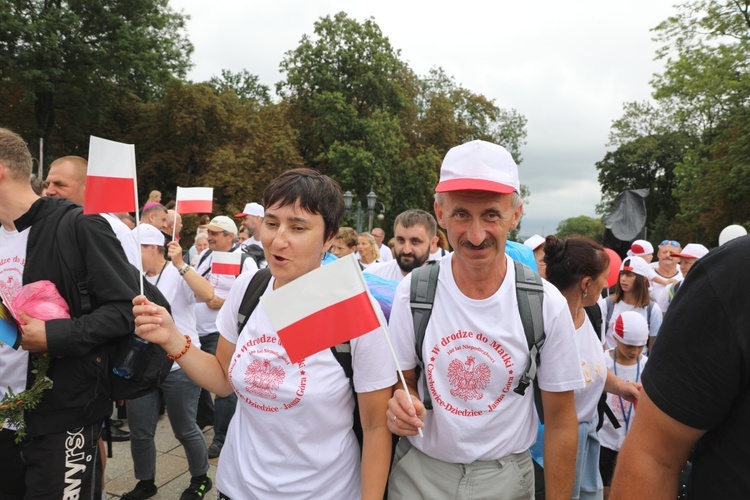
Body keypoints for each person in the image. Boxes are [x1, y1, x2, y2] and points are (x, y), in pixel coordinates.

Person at [133, 168, 396, 499]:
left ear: (328, 237)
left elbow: (375, 428)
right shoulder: (250, 289)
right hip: (237, 487)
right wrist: (172, 338)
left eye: (298, 227)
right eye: (272, 223)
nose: (278, 239)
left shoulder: (354, 311)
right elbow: (223, 378)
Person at [387, 140, 585, 499]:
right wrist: (400, 401)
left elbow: (560, 420)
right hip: (419, 475)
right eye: (461, 214)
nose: (475, 235)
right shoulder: (413, 293)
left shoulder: (544, 304)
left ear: (516, 214)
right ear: (440, 213)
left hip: (506, 479)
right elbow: (404, 379)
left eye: (491, 215)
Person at [0, 127, 139, 498]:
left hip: (61, 416)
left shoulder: (78, 224)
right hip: (3, 417)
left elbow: (127, 309)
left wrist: (55, 335)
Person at [609, 236, 750, 499]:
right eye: (677, 258)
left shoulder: (657, 302)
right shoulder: (732, 276)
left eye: (684, 260)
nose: (678, 263)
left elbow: (654, 340)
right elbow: (654, 455)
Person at [543, 236, 640, 500]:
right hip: (553, 443)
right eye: (604, 278)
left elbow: (592, 367)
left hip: (589, 433)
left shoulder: (592, 314)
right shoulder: (545, 322)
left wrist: (621, 386)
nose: (608, 284)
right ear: (586, 283)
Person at [121, 224, 213, 500]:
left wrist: (182, 264)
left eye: (136, 249)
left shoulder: (176, 273)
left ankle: (201, 478)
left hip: (179, 364)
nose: (130, 255)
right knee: (139, 431)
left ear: (152, 247)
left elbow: (207, 295)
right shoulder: (132, 277)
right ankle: (145, 482)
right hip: (143, 366)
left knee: (185, 428)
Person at [192, 215, 258, 457]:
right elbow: (196, 283)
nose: (209, 236)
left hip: (222, 332)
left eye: (216, 233)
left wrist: (223, 303)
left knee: (224, 384)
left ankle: (221, 436)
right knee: (196, 377)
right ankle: (205, 416)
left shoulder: (245, 260)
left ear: (230, 237)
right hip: (198, 328)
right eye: (209, 232)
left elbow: (251, 296)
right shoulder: (204, 255)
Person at [46, 155, 139, 267]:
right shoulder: (45, 225)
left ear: (86, 187)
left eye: (59, 185)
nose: (49, 191)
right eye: (47, 184)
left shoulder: (116, 231)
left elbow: (131, 281)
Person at [597, 311, 649, 499]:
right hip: (604, 439)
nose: (634, 351)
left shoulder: (647, 365)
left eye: (640, 346)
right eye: (629, 345)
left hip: (634, 443)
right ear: (615, 337)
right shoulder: (602, 361)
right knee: (605, 490)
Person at [602, 256, 662, 352]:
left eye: (629, 275)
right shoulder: (607, 304)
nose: (623, 279)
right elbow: (599, 340)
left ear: (644, 279)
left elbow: (653, 347)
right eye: (622, 274)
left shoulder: (653, 310)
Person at [365, 209, 436, 282]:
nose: (406, 250)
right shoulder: (372, 276)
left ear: (433, 243)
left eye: (415, 241)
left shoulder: (443, 283)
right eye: (401, 240)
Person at [648, 240, 682, 315]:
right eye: (664, 252)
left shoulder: (685, 277)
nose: (667, 255)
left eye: (672, 253)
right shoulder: (645, 274)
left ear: (679, 258)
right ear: (658, 254)